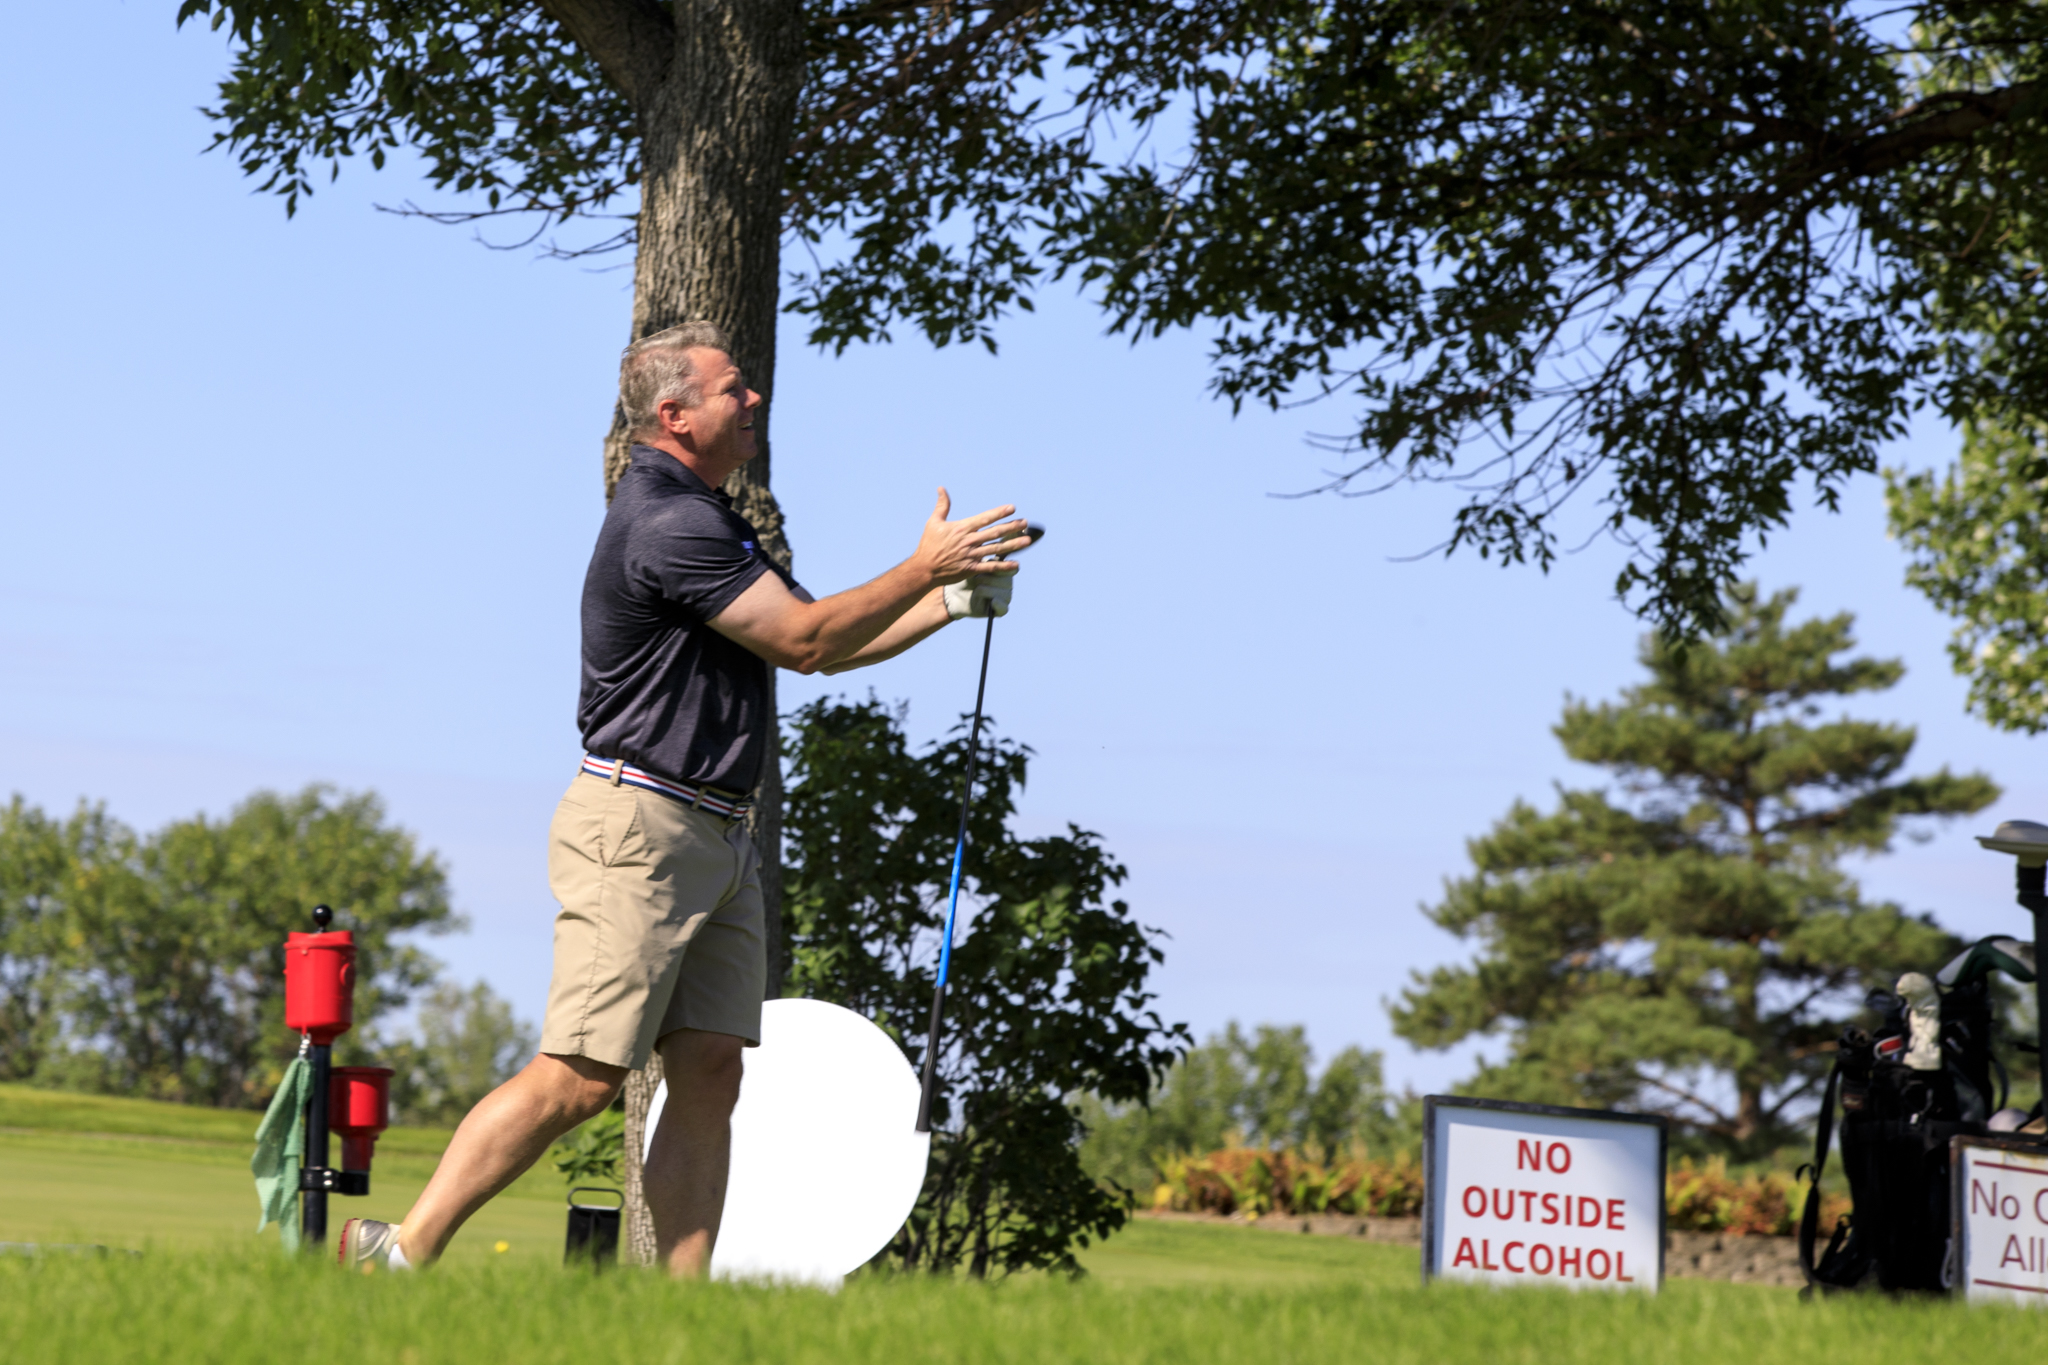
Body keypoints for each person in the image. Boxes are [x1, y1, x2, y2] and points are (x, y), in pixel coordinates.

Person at [338, 321, 1028, 1275]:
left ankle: (680, 1304)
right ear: (674, 415)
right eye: (732, 388)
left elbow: (819, 642)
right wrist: (925, 568)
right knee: (582, 1075)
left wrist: (947, 602)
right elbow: (807, 639)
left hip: (717, 834)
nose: (754, 399)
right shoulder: (669, 522)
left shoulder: (710, 517)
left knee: (710, 1070)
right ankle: (399, 1251)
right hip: (641, 826)